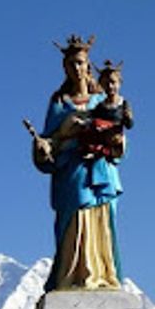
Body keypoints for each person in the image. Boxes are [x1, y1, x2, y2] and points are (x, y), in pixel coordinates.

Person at [27, 35, 124, 291]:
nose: (76, 69)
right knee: (74, 218)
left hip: (100, 170)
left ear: (88, 65)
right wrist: (47, 145)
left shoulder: (102, 101)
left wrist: (113, 140)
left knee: (100, 219)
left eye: (80, 63)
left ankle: (102, 273)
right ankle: (73, 275)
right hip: (72, 171)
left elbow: (117, 133)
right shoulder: (60, 103)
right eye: (71, 64)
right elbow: (49, 142)